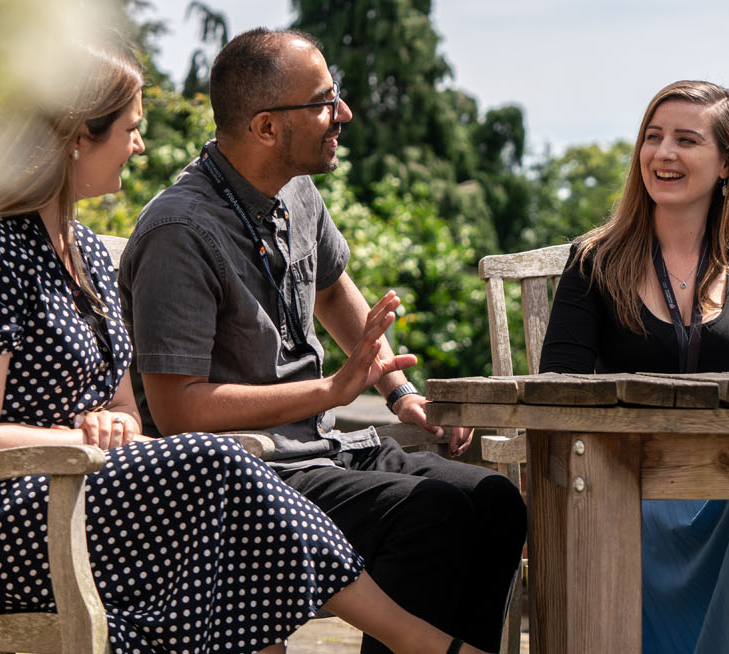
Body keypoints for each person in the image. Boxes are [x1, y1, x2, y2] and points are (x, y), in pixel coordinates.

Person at [0, 43, 485, 654]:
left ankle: (427, 645)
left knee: (230, 516)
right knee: (215, 466)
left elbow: (127, 413)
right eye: (130, 129)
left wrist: (114, 425)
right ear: (77, 137)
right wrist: (85, 437)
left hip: (64, 499)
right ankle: (423, 644)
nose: (139, 145)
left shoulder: (86, 253)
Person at [117, 28, 525, 654]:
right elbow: (177, 412)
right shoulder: (179, 231)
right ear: (265, 127)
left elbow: (332, 291)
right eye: (324, 101)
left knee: (496, 501)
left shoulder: (295, 191)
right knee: (432, 513)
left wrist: (400, 393)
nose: (344, 113)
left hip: (320, 453)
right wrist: (331, 390)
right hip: (245, 480)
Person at [536, 80, 729, 654]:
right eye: (653, 137)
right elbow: (557, 390)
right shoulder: (594, 261)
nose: (663, 153)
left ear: (727, 164)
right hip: (630, 492)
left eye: (686, 140)